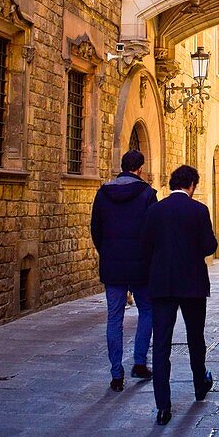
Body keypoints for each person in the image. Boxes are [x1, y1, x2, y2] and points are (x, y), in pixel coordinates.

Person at [142, 164, 218, 426]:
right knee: (195, 338)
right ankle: (199, 384)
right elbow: (209, 246)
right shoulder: (199, 210)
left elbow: (146, 247)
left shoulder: (154, 210)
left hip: (161, 285)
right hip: (193, 285)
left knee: (161, 345)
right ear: (192, 185)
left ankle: (163, 407)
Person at [90, 148, 157, 392]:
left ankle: (116, 374)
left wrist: (106, 252)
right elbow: (153, 231)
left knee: (114, 318)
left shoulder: (102, 194)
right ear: (140, 168)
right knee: (147, 310)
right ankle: (139, 362)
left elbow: (95, 229)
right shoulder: (148, 194)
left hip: (113, 265)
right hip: (141, 266)